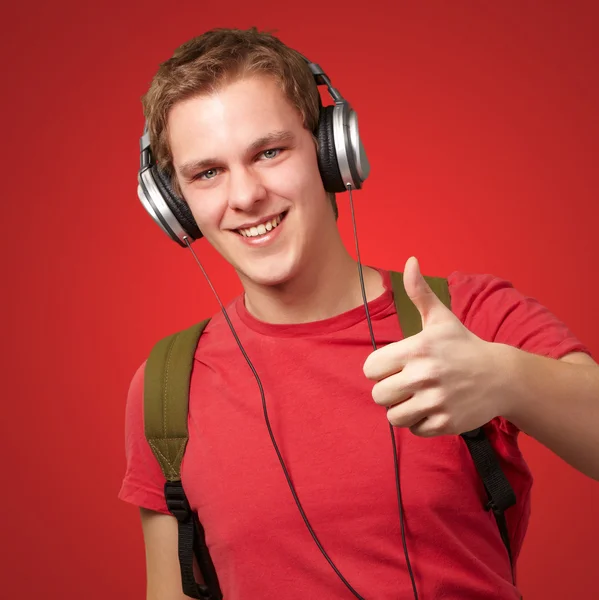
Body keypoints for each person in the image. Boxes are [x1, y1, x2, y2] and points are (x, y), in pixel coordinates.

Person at [119, 27, 599, 600]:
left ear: (330, 152)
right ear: (177, 205)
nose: (244, 195)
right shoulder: (166, 387)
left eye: (269, 152)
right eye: (207, 173)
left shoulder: (467, 314)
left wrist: (509, 379)